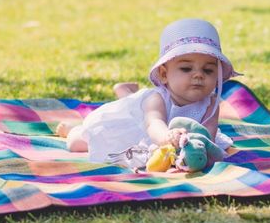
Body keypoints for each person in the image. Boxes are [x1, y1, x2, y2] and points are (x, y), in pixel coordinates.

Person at [56, 18, 239, 169]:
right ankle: (75, 128)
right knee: (77, 143)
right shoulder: (157, 98)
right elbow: (154, 123)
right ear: (164, 74)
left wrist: (192, 150)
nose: (198, 75)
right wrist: (166, 138)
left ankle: (125, 90)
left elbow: (208, 136)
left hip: (180, 141)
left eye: (208, 71)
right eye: (186, 68)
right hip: (142, 130)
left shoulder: (211, 103)